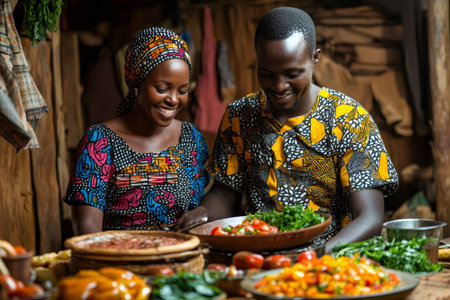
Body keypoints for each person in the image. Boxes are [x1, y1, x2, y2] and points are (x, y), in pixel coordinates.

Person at [177, 7, 399, 253]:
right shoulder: (240, 116)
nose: (279, 85)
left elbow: (369, 217)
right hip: (256, 259)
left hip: (330, 264)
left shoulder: (348, 118)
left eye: (293, 74)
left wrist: (319, 255)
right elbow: (225, 193)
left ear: (315, 57)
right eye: (266, 74)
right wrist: (204, 214)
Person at [64, 27, 210, 235]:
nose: (174, 99)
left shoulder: (190, 139)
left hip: (182, 261)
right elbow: (87, 230)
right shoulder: (99, 141)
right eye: (162, 88)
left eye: (182, 90)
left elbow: (199, 209)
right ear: (136, 83)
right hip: (120, 262)